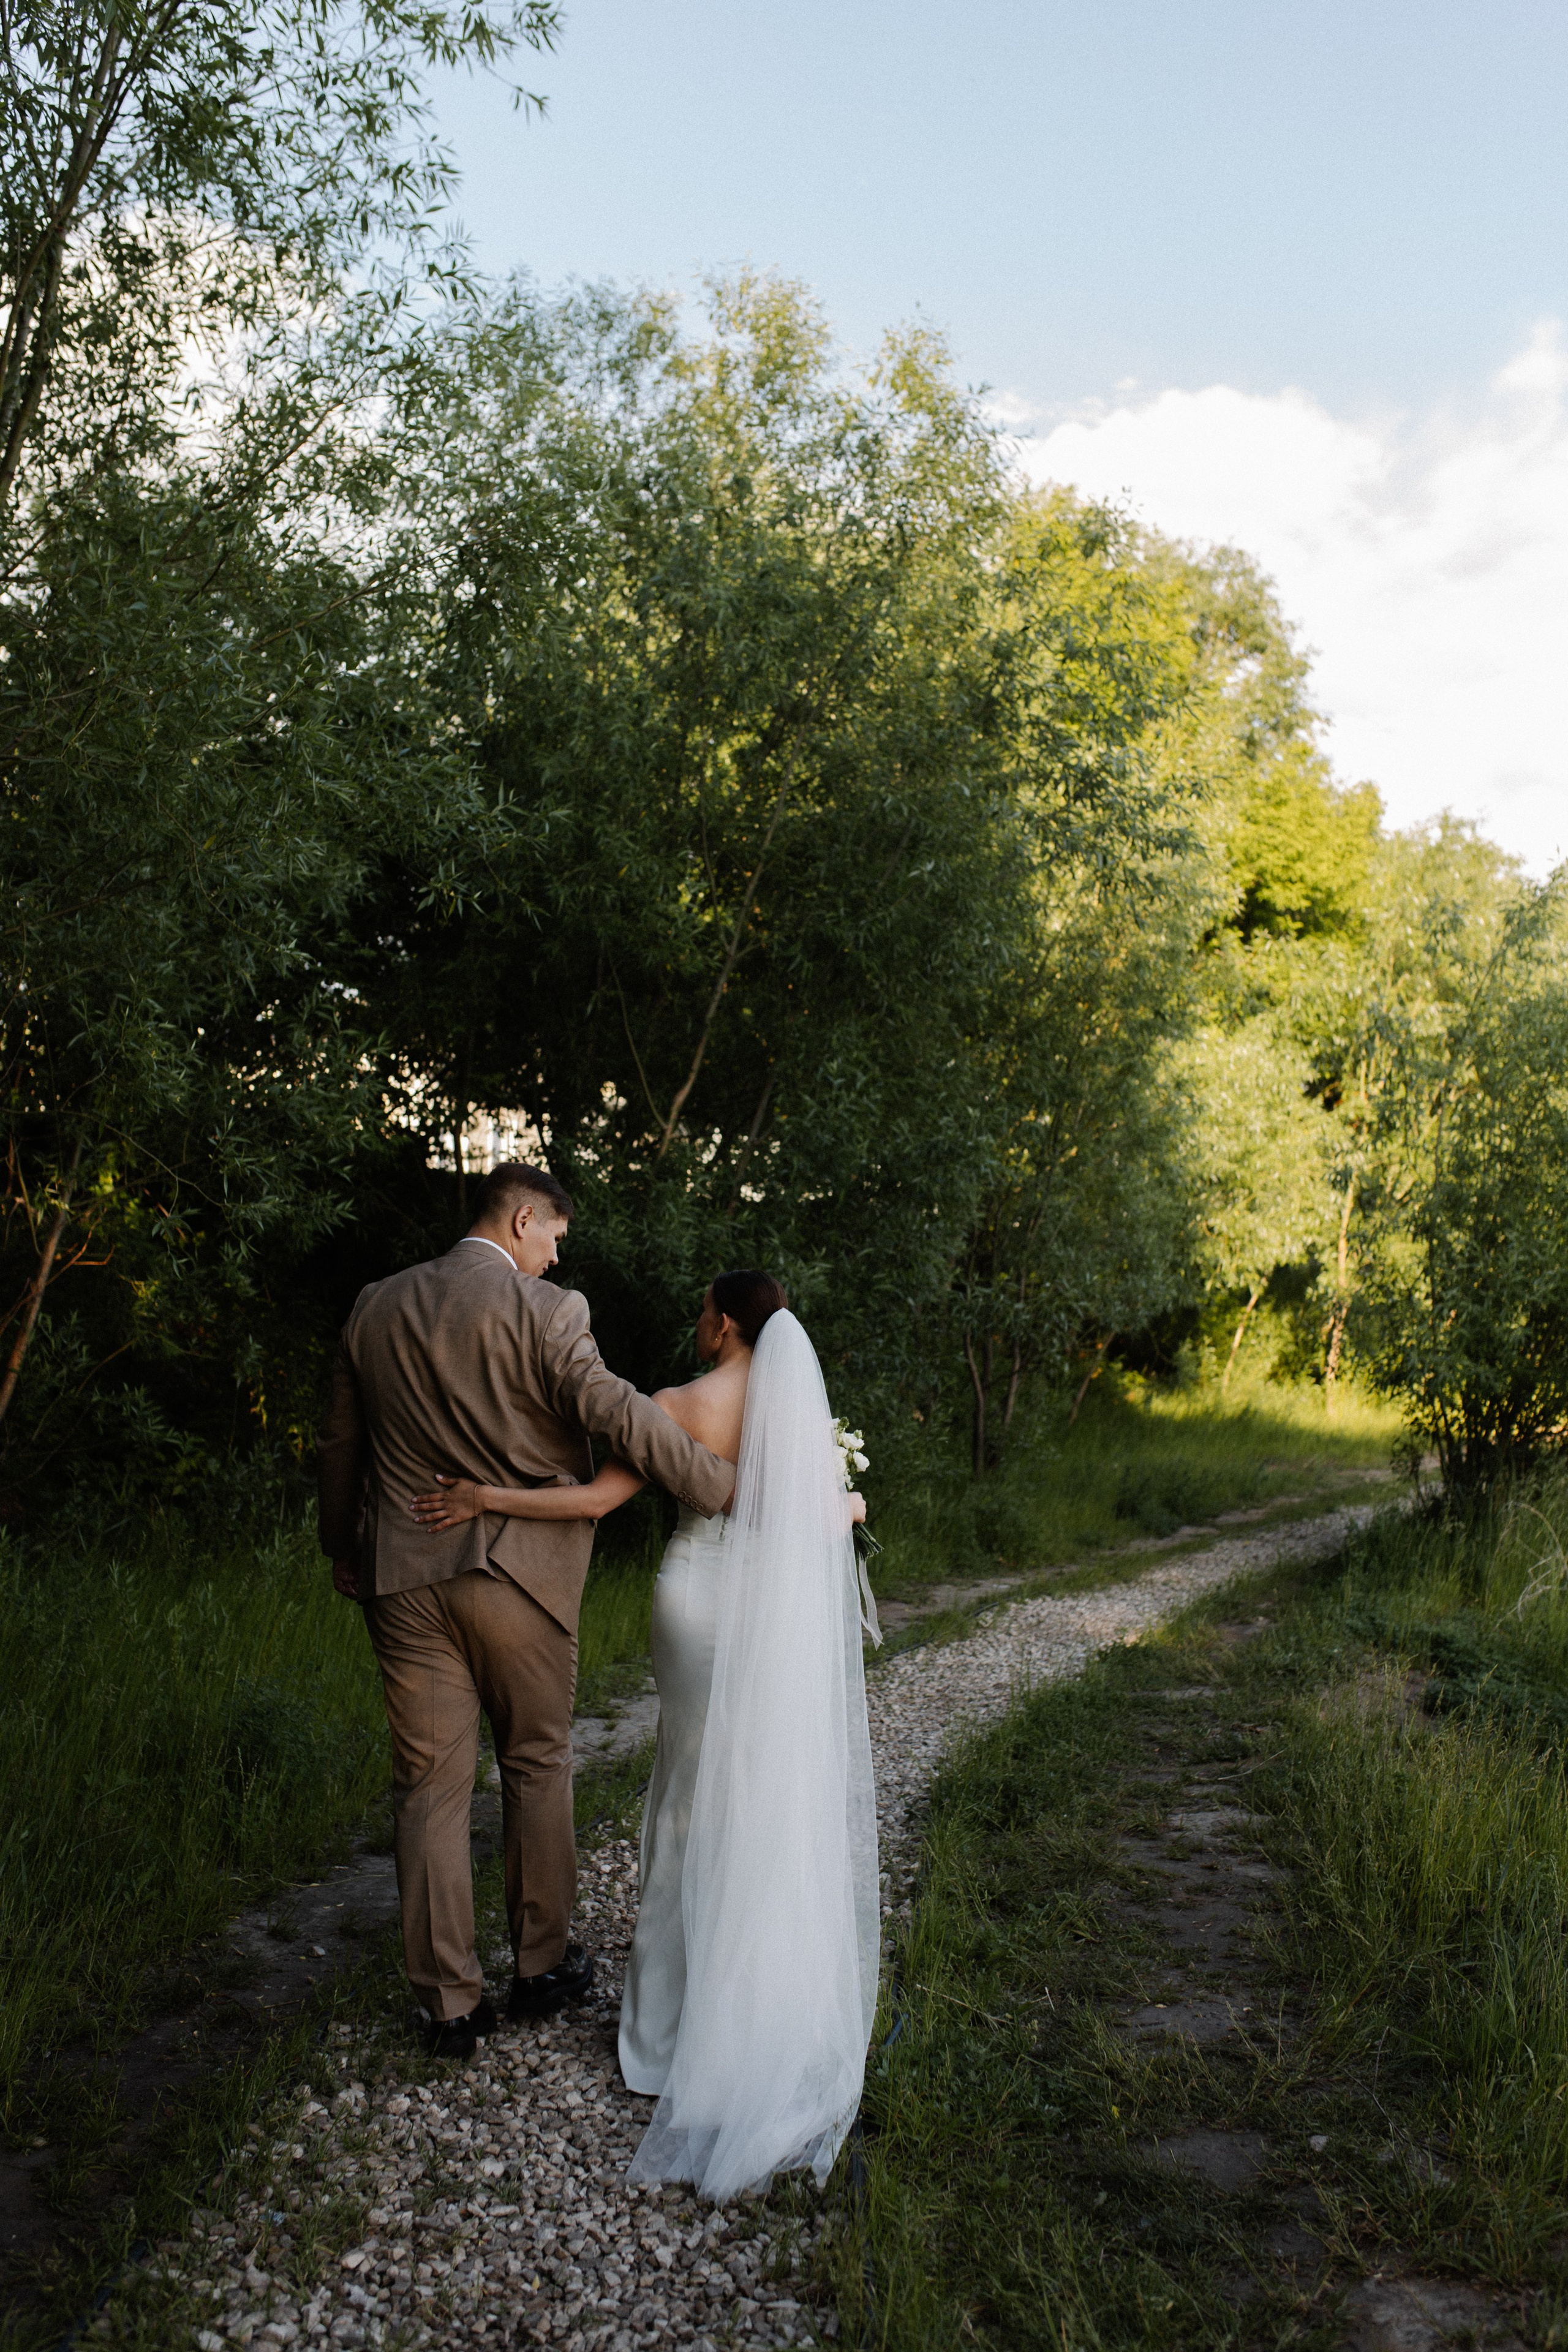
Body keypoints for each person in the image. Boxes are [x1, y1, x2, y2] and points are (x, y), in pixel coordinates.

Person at [410, 1269, 880, 2199]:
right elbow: (825, 1518)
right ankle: (747, 2021)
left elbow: (592, 1503)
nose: (695, 1321)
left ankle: (666, 2039)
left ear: (730, 1324)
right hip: (764, 1611)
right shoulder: (798, 1414)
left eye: (705, 1310)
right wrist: (854, 1506)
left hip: (697, 1602)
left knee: (686, 1794)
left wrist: (486, 1499)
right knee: (752, 1793)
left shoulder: (676, 1403)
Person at [315, 1163, 737, 2061]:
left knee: (428, 1788)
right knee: (538, 1761)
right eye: (553, 1237)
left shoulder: (375, 1306)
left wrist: (344, 1544)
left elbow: (341, 1443)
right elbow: (616, 1412)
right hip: (520, 1577)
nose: (553, 1257)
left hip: (402, 1576)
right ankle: (541, 1967)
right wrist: (725, 1486)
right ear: (522, 1217)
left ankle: (449, 2006)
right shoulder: (546, 1312)